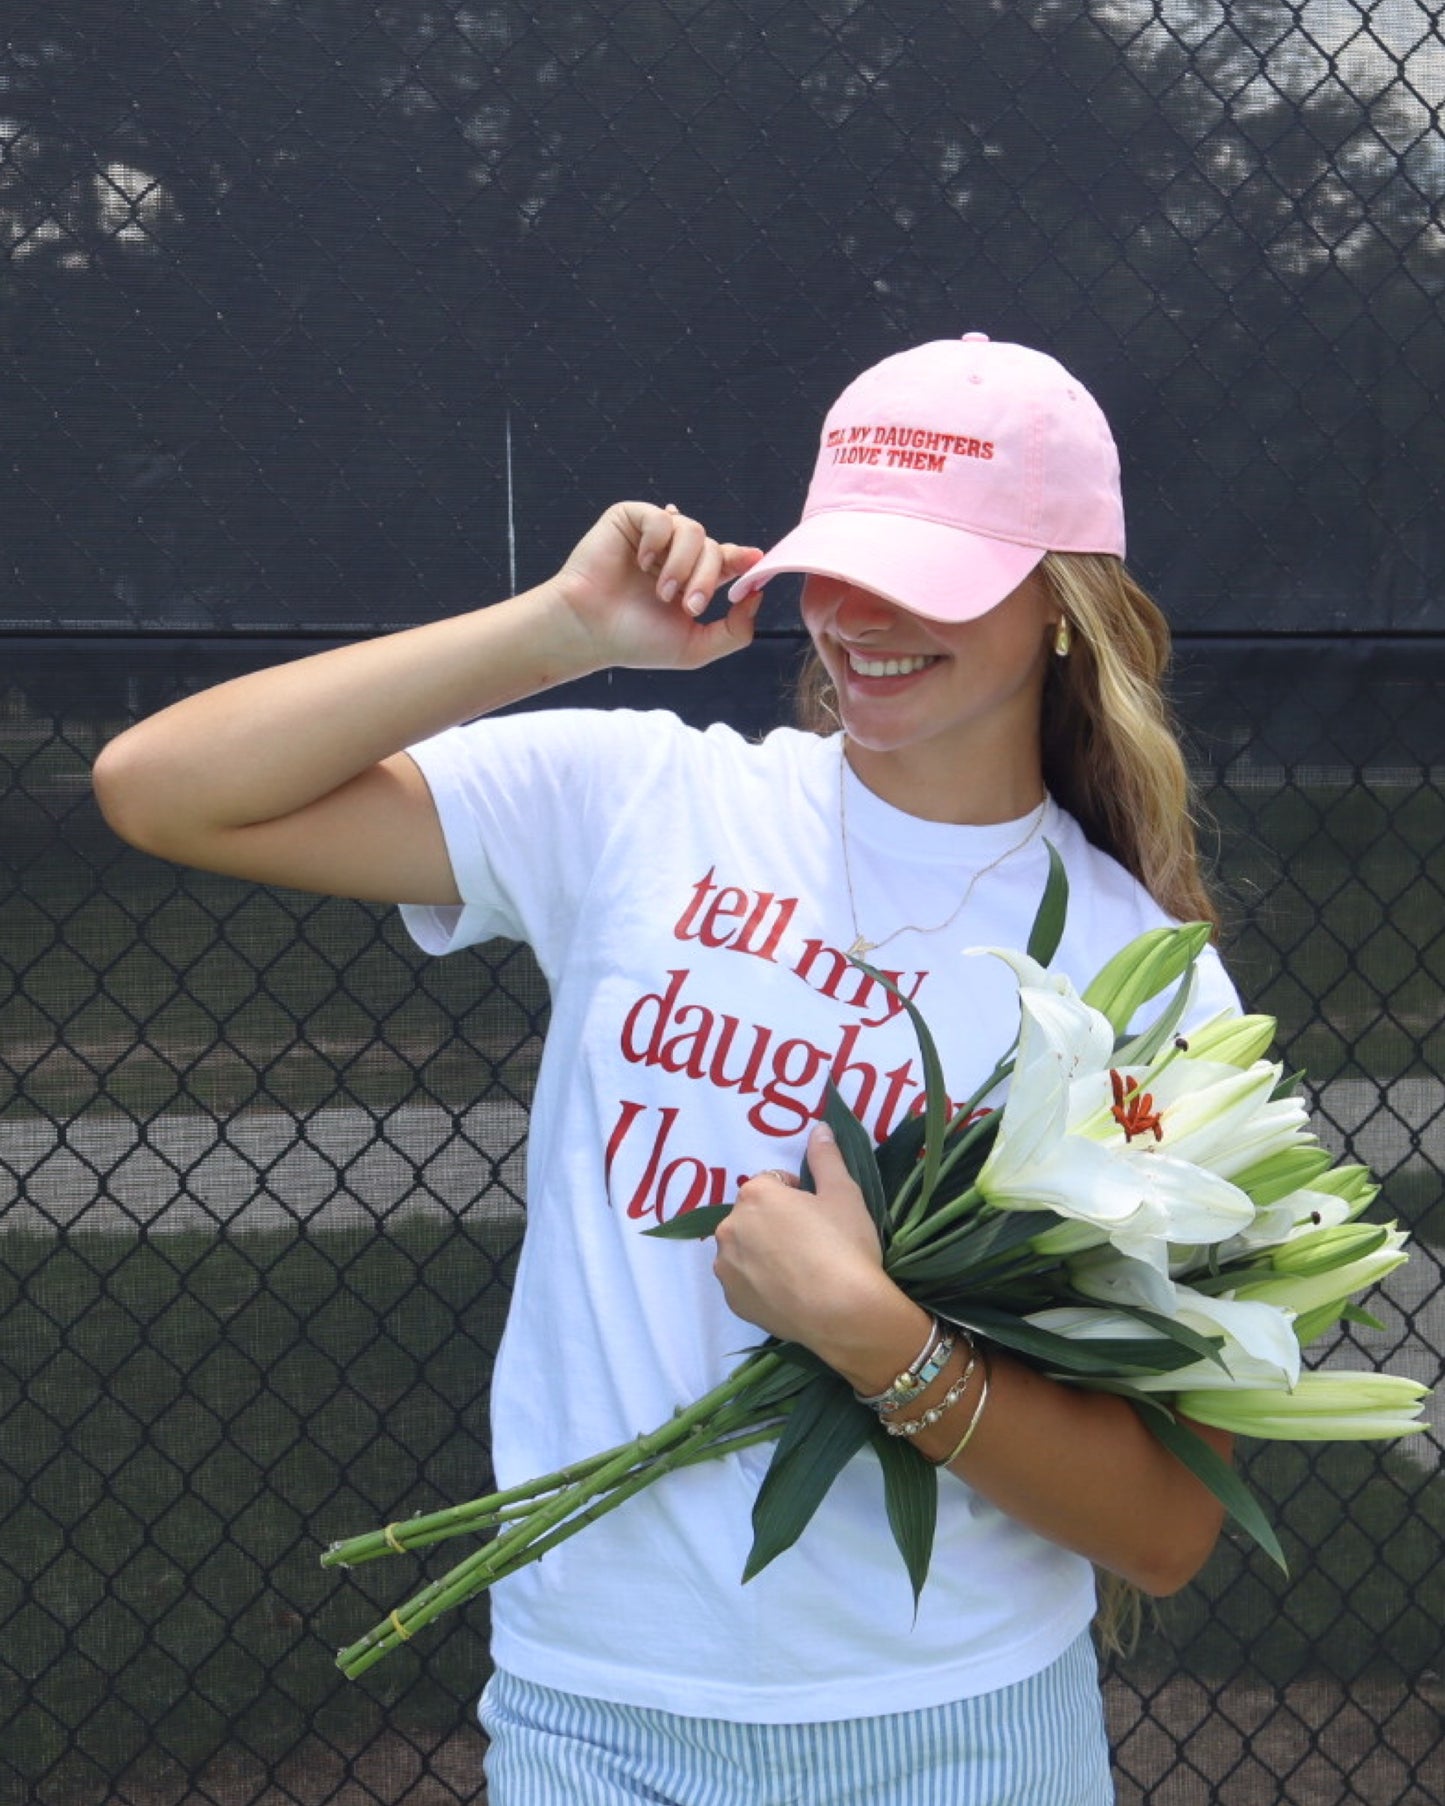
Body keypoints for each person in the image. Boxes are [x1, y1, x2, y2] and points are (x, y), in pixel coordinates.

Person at [94, 334, 1240, 1805]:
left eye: (934, 572)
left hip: (961, 1732)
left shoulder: (1145, 978)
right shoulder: (647, 799)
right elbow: (161, 788)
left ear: (1065, 602)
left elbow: (1163, 1527)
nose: (862, 616)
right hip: (598, 1716)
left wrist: (872, 1334)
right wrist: (557, 629)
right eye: (838, 561)